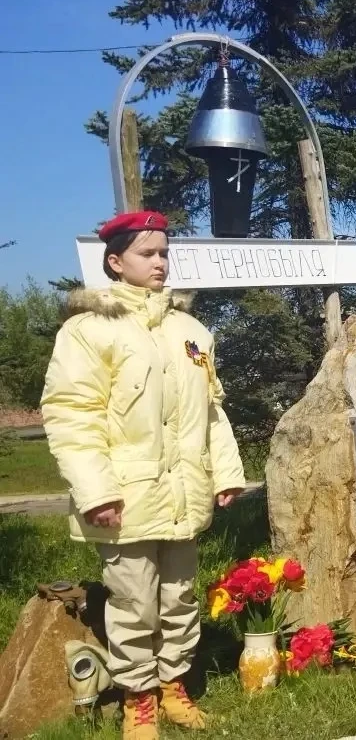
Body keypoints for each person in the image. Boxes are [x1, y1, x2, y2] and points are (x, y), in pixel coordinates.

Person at [40, 211, 246, 740]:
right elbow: (72, 415)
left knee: (179, 596)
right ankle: (139, 699)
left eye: (164, 253)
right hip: (125, 497)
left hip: (184, 491)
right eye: (147, 253)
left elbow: (211, 410)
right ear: (115, 262)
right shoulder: (89, 330)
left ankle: (174, 686)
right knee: (133, 603)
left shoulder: (190, 331)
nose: (160, 262)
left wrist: (226, 472)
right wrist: (96, 491)